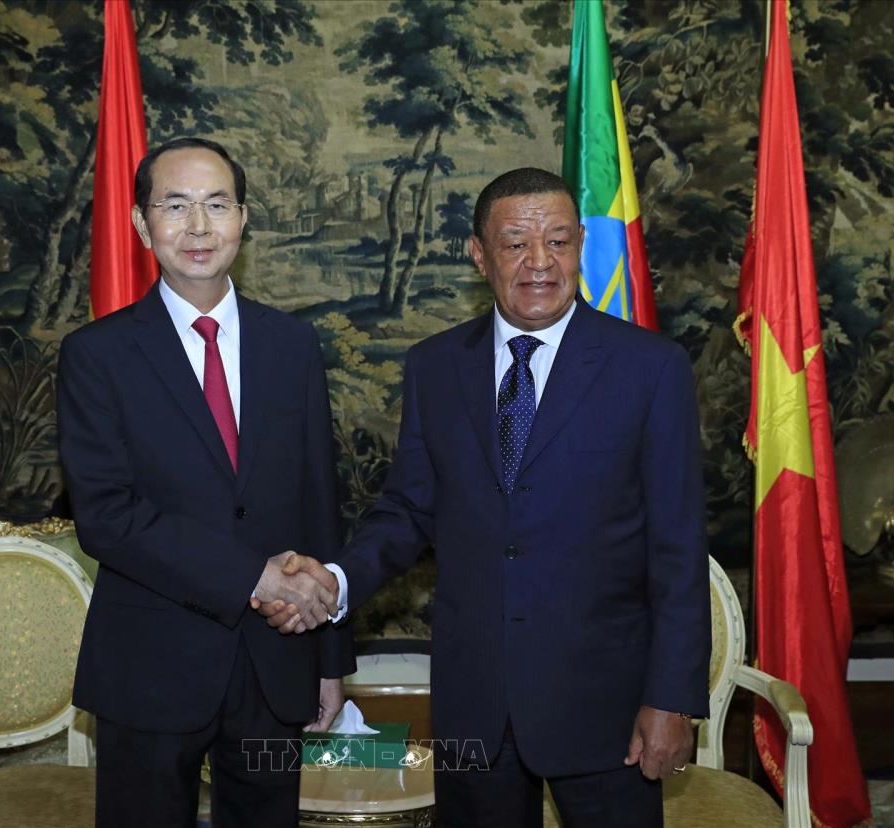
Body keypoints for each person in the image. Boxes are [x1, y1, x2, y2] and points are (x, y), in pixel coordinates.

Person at [261, 167, 711, 826]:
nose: (540, 262)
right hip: (475, 701)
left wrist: (671, 698)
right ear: (479, 254)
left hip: (606, 705)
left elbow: (678, 547)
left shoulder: (650, 368)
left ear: (580, 246)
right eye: (516, 244)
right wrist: (336, 580)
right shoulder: (435, 366)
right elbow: (408, 509)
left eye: (558, 241)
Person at [57, 136, 353, 828]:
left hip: (277, 660)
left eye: (217, 205)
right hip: (151, 664)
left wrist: (330, 660)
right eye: (176, 206)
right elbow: (106, 516)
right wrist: (255, 576)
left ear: (242, 219)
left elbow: (319, 501)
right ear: (142, 224)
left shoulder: (292, 346)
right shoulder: (97, 355)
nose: (198, 227)